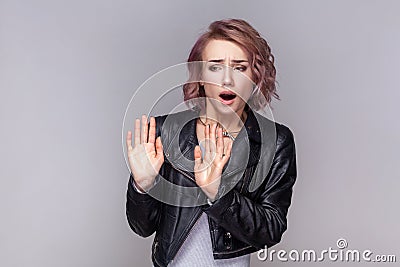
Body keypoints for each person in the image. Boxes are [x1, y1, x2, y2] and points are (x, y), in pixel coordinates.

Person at [125, 19, 297, 267]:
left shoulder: (275, 141)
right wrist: (142, 186)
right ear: (200, 76)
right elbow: (142, 227)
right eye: (215, 67)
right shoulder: (165, 132)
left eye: (240, 68)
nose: (227, 80)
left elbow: (271, 230)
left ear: (254, 77)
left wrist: (218, 193)